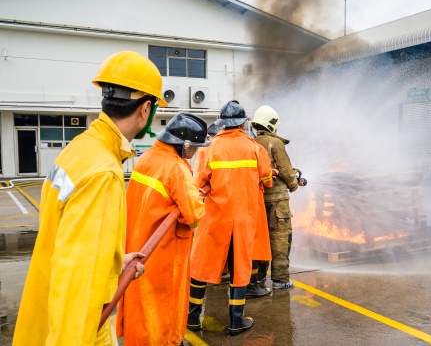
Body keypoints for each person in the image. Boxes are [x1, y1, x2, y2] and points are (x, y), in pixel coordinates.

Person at [12, 51, 166, 346]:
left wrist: (114, 264)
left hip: (46, 306)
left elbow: (69, 240)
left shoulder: (79, 148)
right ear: (146, 109)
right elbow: (77, 285)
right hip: (76, 330)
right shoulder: (103, 173)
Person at [117, 113, 209, 345]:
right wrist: (198, 200)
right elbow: (193, 213)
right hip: (164, 252)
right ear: (184, 144)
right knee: (164, 305)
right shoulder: (176, 168)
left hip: (138, 243)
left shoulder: (148, 158)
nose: (195, 152)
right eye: (195, 147)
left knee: (140, 301)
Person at [187, 100, 273, 335]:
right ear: (244, 123)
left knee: (200, 265)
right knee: (239, 268)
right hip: (244, 220)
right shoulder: (256, 148)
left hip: (214, 218)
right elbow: (267, 180)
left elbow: (198, 184)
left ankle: (192, 319)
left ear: (223, 123)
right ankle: (236, 321)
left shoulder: (208, 148)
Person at [251, 105, 307, 291]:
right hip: (277, 202)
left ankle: (258, 280)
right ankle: (281, 280)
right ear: (272, 124)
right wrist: (294, 184)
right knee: (280, 239)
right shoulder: (275, 143)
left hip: (258, 199)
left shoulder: (251, 143)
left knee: (260, 240)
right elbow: (285, 170)